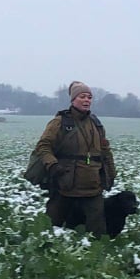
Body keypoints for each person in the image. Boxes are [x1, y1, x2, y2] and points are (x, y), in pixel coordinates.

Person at [34, 81, 116, 236]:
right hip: (65, 184)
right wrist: (53, 165)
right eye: (82, 96)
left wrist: (111, 174)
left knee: (98, 232)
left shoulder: (96, 124)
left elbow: (105, 152)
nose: (87, 100)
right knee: (51, 228)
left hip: (93, 186)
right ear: (73, 100)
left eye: (89, 97)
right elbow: (43, 146)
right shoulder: (60, 122)